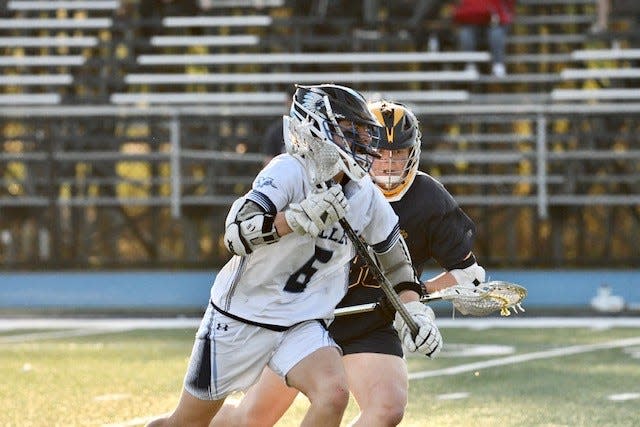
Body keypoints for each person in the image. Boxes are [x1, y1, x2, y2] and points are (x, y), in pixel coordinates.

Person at [147, 86, 442, 427]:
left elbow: (395, 259)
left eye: (363, 132)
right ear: (318, 129)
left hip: (302, 320)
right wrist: (293, 219)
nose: (363, 141)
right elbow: (235, 235)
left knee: (333, 394)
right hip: (241, 316)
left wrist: (413, 307)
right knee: (186, 423)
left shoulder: (364, 195)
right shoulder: (289, 170)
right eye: (351, 131)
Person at [210, 100, 485, 427]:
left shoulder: (429, 198)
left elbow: (468, 276)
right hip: (304, 316)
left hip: (368, 323)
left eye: (398, 154)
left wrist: (414, 303)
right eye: (381, 153)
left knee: (387, 408)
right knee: (251, 419)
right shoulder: (324, 181)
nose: (389, 164)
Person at [452, 0, 516, 77]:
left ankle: (498, 64)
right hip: (471, 22)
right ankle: (470, 64)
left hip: (495, 22)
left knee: (496, 33)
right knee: (465, 34)